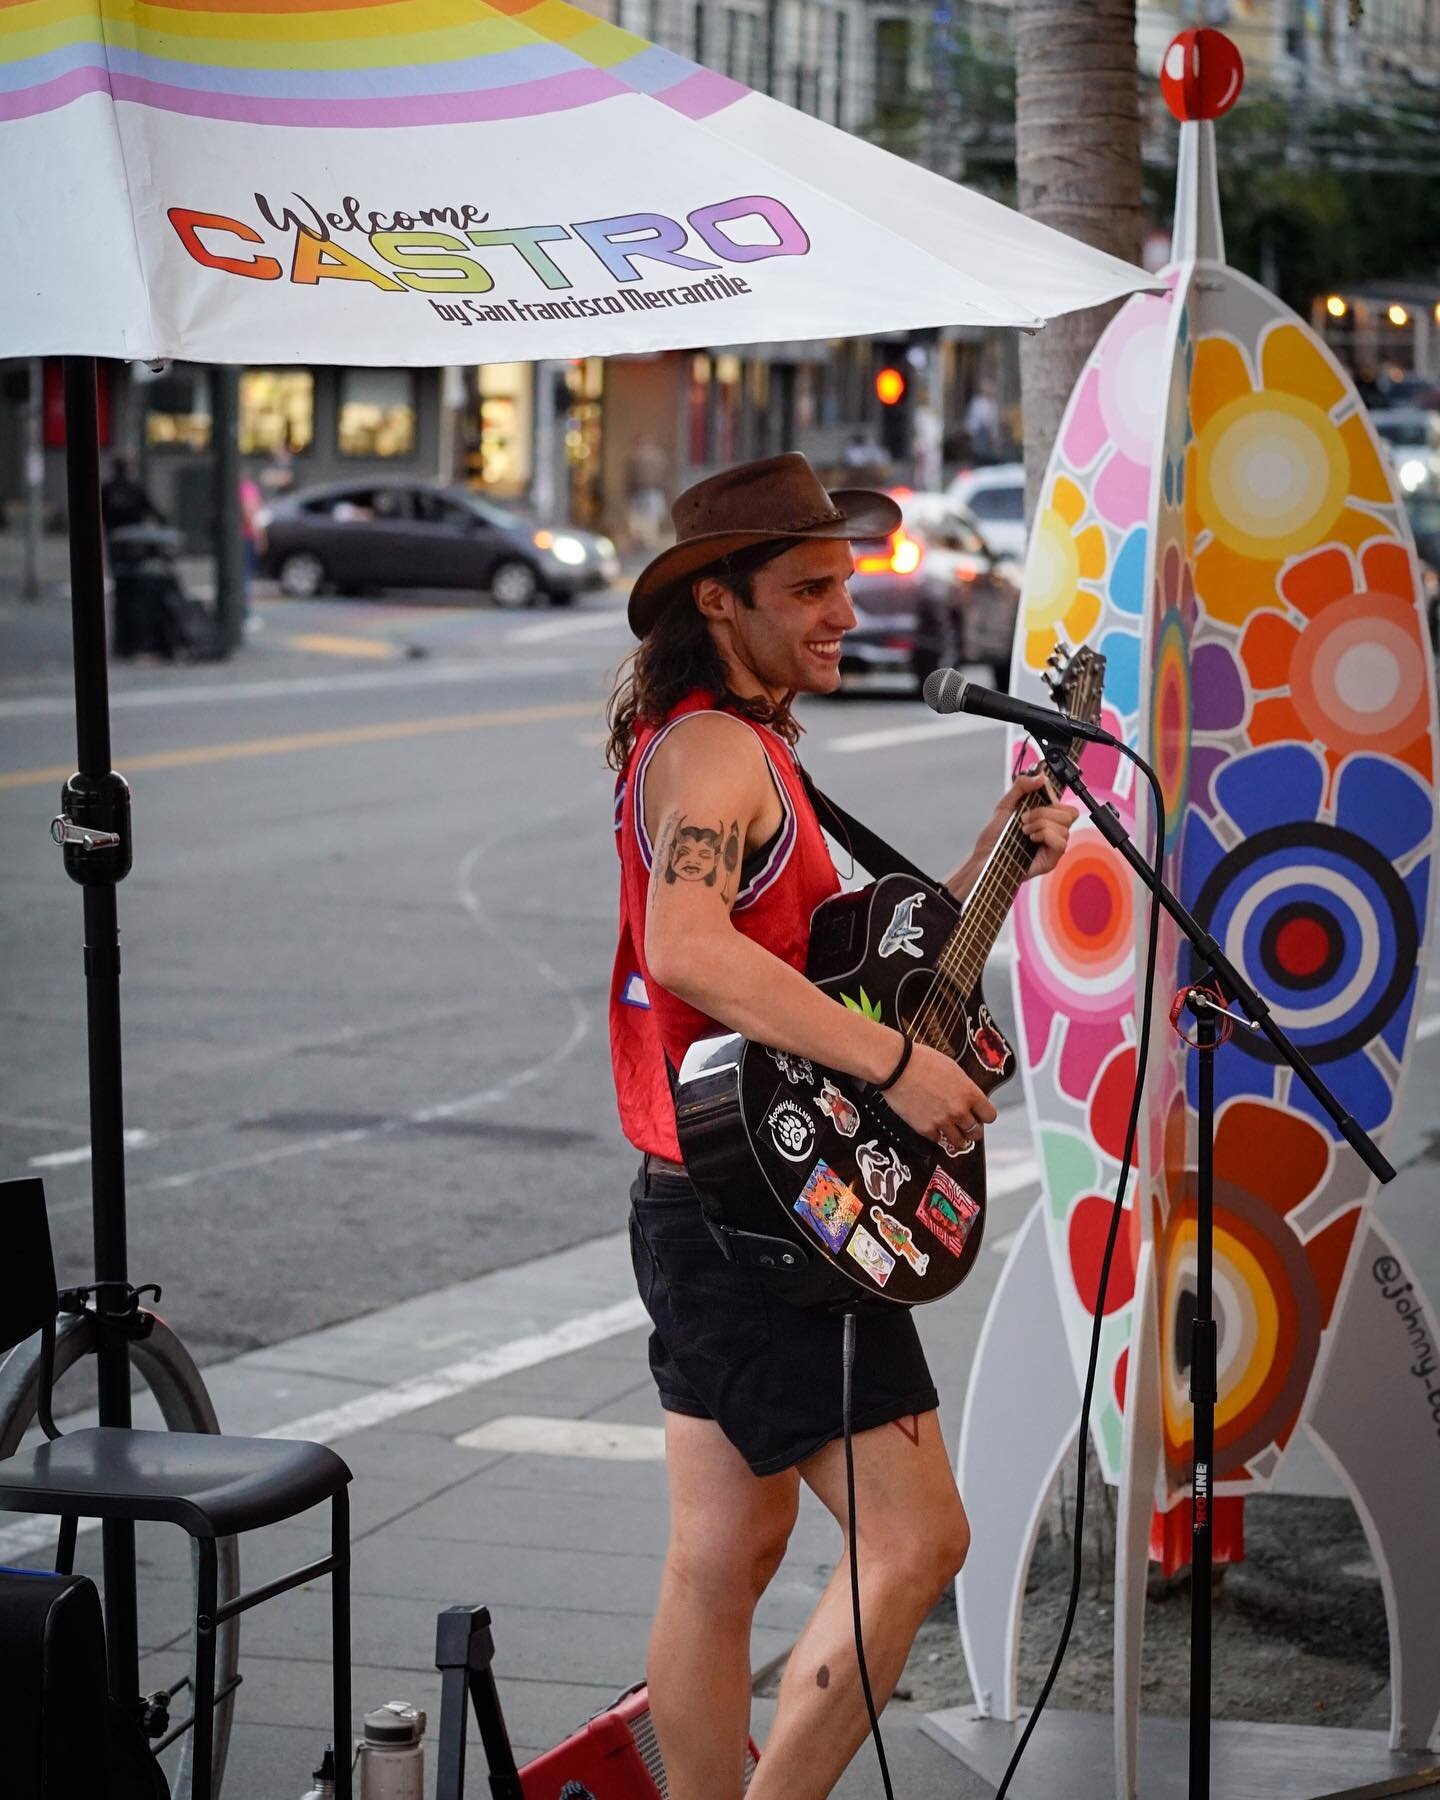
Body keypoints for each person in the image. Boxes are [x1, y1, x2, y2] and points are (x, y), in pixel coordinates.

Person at [605, 452, 1077, 1800]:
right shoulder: (711, 750)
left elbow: (831, 967)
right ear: (716, 600)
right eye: (807, 589)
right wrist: (897, 1066)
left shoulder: (744, 752)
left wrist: (994, 851)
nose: (841, 615)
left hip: (717, 1199)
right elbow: (688, 947)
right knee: (918, 1542)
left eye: (843, 585)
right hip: (763, 1219)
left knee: (727, 1550)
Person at [626, 434, 671, 555]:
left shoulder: (635, 457)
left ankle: (640, 540)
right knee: (651, 518)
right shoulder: (659, 456)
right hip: (653, 490)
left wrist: (628, 492)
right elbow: (664, 475)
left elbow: (630, 477)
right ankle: (649, 541)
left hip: (640, 491)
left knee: (639, 517)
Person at [100, 455, 165, 536]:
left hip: (114, 533)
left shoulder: (106, 488)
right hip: (131, 534)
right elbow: (149, 507)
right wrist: (162, 518)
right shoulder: (135, 488)